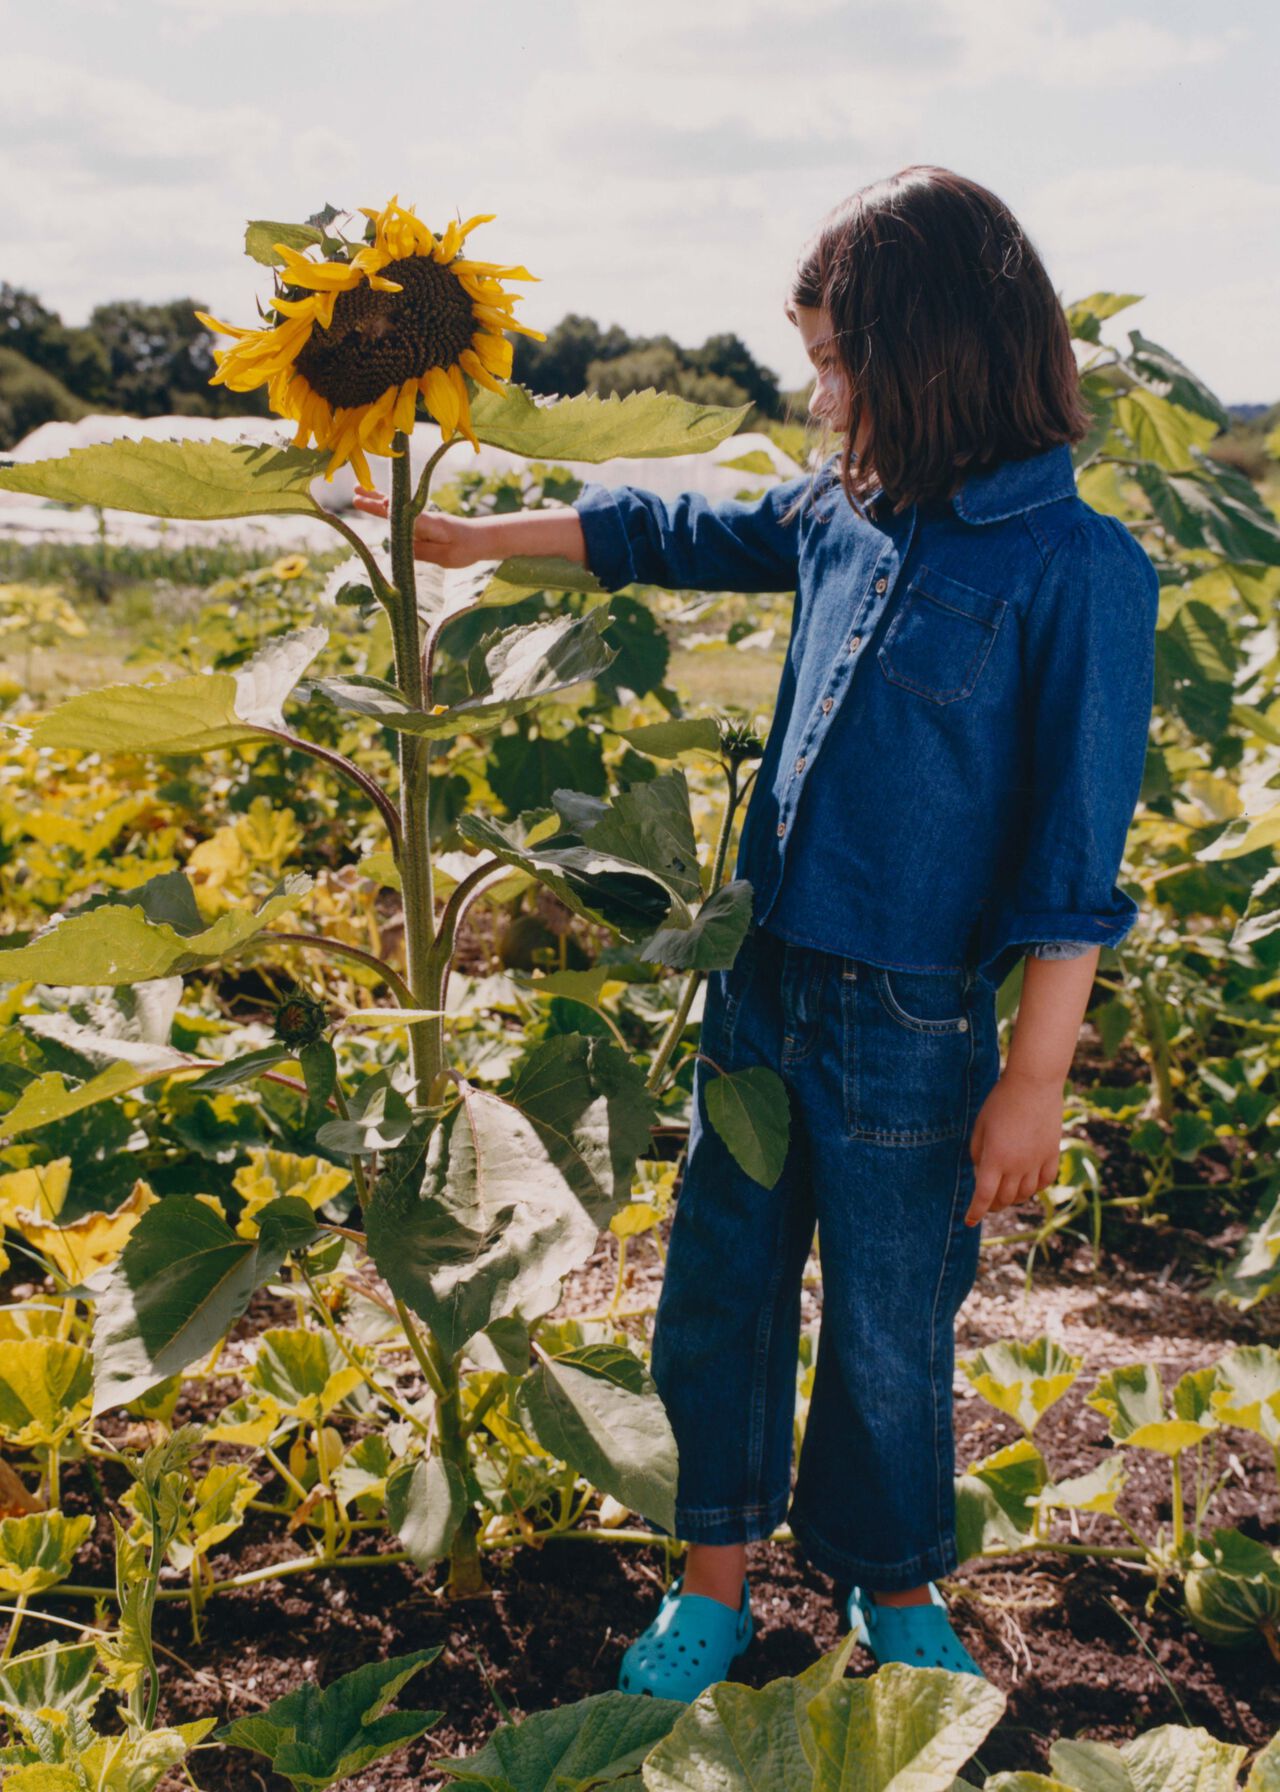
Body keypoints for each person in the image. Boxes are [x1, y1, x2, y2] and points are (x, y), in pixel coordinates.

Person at [354, 164, 1160, 1697]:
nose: (823, 397)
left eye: (836, 364)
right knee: (718, 1289)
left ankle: (893, 1588)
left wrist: (1036, 1076)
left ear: (930, 355)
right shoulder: (843, 515)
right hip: (762, 988)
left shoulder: (1078, 573)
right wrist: (474, 542)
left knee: (888, 1329)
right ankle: (710, 1589)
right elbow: (673, 530)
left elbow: (1074, 864)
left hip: (918, 1028)